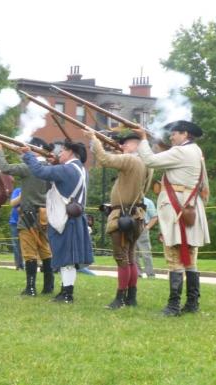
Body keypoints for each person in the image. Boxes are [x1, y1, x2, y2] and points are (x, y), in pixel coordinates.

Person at [134, 121, 210, 316]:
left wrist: (143, 138)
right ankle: (192, 303)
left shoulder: (181, 152)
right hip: (190, 207)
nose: (171, 137)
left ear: (185, 134)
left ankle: (173, 306)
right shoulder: (196, 151)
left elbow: (149, 160)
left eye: (174, 133)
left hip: (178, 210)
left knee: (174, 257)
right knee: (190, 259)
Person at [21, 140, 94, 304]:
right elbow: (58, 180)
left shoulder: (68, 169)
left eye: (62, 151)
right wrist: (54, 163)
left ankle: (67, 294)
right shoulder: (80, 169)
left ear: (70, 152)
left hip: (66, 219)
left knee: (67, 259)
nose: (59, 154)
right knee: (67, 259)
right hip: (72, 218)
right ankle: (65, 291)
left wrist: (28, 155)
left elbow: (39, 171)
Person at [87, 130, 151, 309]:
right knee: (129, 257)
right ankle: (131, 297)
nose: (122, 146)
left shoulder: (131, 159)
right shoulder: (145, 162)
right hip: (135, 215)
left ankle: (120, 298)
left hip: (122, 216)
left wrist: (94, 139)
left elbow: (104, 160)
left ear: (135, 145)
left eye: (126, 143)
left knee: (122, 258)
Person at [0, 138, 54, 296]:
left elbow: (4, 168)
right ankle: (48, 286)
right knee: (45, 250)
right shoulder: (51, 167)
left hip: (29, 215)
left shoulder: (28, 167)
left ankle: (31, 288)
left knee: (29, 253)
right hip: (45, 215)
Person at [136, 196, 158, 279]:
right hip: (132, 229)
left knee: (146, 253)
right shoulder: (130, 200)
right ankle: (137, 273)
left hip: (143, 228)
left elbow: (155, 217)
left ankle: (150, 274)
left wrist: (147, 228)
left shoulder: (148, 202)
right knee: (133, 253)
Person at [8, 187, 25, 270]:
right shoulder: (18, 190)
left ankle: (28, 264)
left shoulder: (34, 189)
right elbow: (12, 203)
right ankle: (19, 266)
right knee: (16, 245)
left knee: (26, 245)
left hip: (27, 222)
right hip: (14, 222)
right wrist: (21, 196)